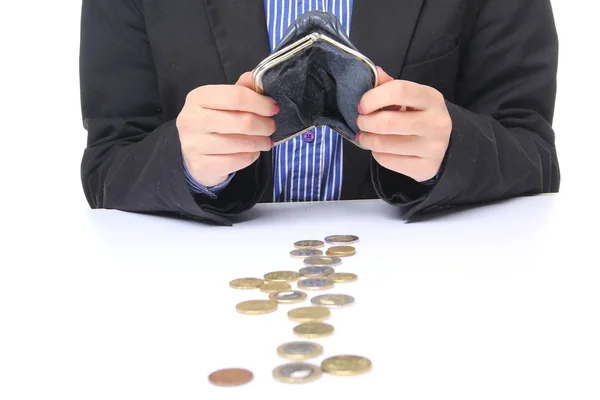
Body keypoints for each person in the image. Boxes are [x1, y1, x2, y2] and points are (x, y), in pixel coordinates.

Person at [79, 0, 560, 226]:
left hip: (427, 294)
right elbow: (108, 166)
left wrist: (454, 149)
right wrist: (184, 165)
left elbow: (534, 154)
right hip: (193, 301)